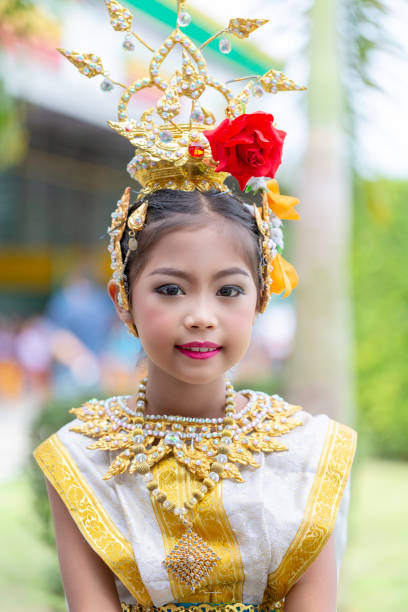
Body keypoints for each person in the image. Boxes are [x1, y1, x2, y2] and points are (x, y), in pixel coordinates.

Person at [33, 3, 357, 612]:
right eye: (170, 289)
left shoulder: (308, 453)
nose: (201, 314)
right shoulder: (81, 455)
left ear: (261, 298)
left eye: (229, 290)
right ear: (123, 301)